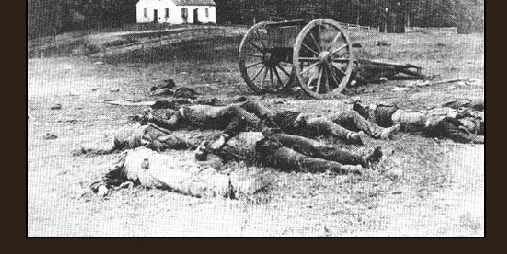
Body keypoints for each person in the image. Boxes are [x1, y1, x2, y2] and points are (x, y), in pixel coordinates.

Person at [144, 98, 397, 145]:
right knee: (323, 123)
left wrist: (264, 116)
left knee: (349, 114)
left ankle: (379, 132)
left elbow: (249, 106)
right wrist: (152, 119)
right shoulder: (238, 117)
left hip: (292, 116)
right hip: (297, 121)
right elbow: (171, 125)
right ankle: (352, 137)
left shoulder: (246, 108)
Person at [90, 146, 271, 199]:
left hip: (160, 159)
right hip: (147, 170)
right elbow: (101, 180)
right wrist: (101, 188)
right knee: (182, 180)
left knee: (194, 170)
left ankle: (235, 183)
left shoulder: (138, 148)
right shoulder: (121, 162)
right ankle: (227, 190)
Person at [194, 129, 382, 174]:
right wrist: (199, 157)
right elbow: (214, 166)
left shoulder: (224, 134)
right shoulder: (220, 154)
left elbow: (239, 118)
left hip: (273, 137)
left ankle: (363, 159)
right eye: (203, 147)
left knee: (316, 147)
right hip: (266, 152)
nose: (204, 145)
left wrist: (224, 136)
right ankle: (346, 168)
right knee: (302, 161)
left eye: (203, 143)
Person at [353, 99, 484, 144]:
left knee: (398, 115)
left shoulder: (449, 122)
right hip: (407, 117)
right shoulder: (456, 114)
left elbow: (462, 136)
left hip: (405, 118)